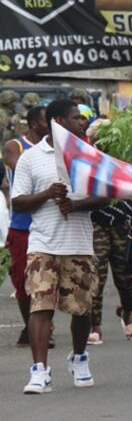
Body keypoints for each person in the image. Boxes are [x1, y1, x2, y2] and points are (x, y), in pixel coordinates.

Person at [12, 99, 112, 394]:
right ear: (58, 121)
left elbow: (104, 197)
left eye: (81, 119)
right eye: (75, 118)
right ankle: (39, 371)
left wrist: (75, 204)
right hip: (43, 243)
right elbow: (18, 201)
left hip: (79, 244)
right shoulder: (31, 158)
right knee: (40, 306)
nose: (81, 122)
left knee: (81, 310)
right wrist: (46, 194)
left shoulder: (89, 155)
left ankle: (79, 358)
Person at [85, 118, 132, 345]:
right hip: (96, 222)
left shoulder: (127, 160)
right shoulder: (88, 161)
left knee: (124, 275)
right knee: (96, 275)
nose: (104, 142)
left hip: (122, 222)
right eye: (100, 138)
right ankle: (95, 325)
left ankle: (127, 314)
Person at [4, 105, 48, 347]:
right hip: (22, 226)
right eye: (45, 122)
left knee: (45, 281)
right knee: (21, 282)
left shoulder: (56, 148)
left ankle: (41, 325)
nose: (51, 126)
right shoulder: (16, 147)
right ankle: (29, 324)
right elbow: (23, 168)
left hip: (50, 225)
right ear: (33, 124)